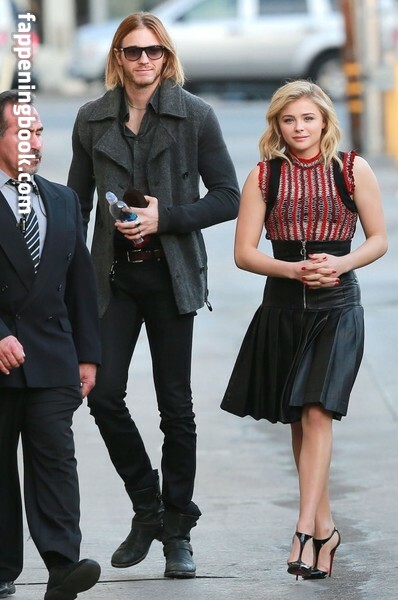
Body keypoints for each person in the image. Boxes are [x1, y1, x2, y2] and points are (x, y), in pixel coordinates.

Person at [67, 12, 239, 579]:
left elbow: (228, 196)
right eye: (133, 51)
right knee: (103, 395)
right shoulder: (91, 119)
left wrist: (168, 219)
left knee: (176, 408)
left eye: (154, 51)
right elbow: (76, 205)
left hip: (172, 278)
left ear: (167, 57)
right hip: (112, 280)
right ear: (117, 57)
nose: (144, 60)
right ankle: (149, 508)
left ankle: (177, 533)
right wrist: (60, 281)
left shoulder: (195, 116)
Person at [221, 80, 387, 580]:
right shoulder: (263, 175)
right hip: (283, 307)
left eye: (308, 118)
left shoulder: (352, 169)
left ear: (324, 121)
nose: (299, 128)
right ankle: (325, 526)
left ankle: (302, 530)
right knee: (300, 419)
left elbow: (378, 239)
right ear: (277, 124)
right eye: (289, 119)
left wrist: (340, 263)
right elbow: (244, 253)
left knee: (317, 411)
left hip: (338, 306)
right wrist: (294, 270)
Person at [0, 90, 102, 599]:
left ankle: (63, 567)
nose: (36, 143)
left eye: (39, 133)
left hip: (53, 357)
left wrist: (88, 355)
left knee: (56, 462)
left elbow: (81, 283)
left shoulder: (62, 200)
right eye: (24, 134)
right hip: (1, 358)